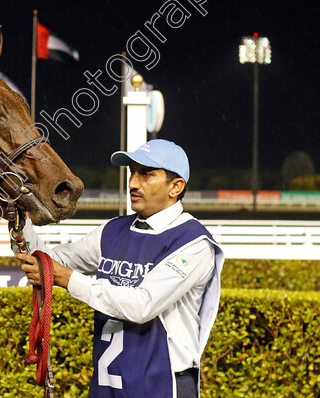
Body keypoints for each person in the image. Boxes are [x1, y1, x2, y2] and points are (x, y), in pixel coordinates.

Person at [16, 140, 224, 398]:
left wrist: (67, 278)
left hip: (164, 388)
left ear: (176, 187)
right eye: (132, 172)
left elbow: (142, 306)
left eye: (147, 174)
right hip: (107, 387)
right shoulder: (112, 231)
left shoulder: (194, 243)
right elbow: (49, 262)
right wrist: (18, 216)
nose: (133, 183)